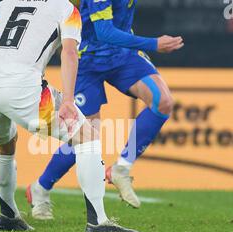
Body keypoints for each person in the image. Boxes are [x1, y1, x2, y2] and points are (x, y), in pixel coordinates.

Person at [0, 0, 138, 232]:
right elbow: (69, 52)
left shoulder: (5, 4)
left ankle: (8, 216)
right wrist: (68, 100)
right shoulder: (66, 9)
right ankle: (98, 222)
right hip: (23, 86)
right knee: (87, 136)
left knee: (4, 145)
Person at [27, 0, 183, 220]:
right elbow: (104, 32)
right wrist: (153, 43)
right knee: (86, 135)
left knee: (163, 101)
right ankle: (40, 189)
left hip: (123, 55)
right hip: (88, 59)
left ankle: (121, 168)